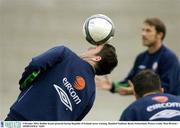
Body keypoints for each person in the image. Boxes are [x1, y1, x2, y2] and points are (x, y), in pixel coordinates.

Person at [5, 43, 118, 121]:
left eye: (93, 48)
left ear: (97, 58)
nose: (89, 48)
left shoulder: (64, 54)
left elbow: (36, 64)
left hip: (19, 118)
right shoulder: (91, 94)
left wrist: (24, 84)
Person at [96, 17, 180, 95]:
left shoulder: (169, 58)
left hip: (170, 106)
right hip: (149, 105)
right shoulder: (141, 58)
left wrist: (135, 90)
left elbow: (166, 88)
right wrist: (113, 86)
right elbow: (130, 82)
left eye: (148, 30)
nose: (143, 34)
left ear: (159, 35)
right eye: (143, 30)